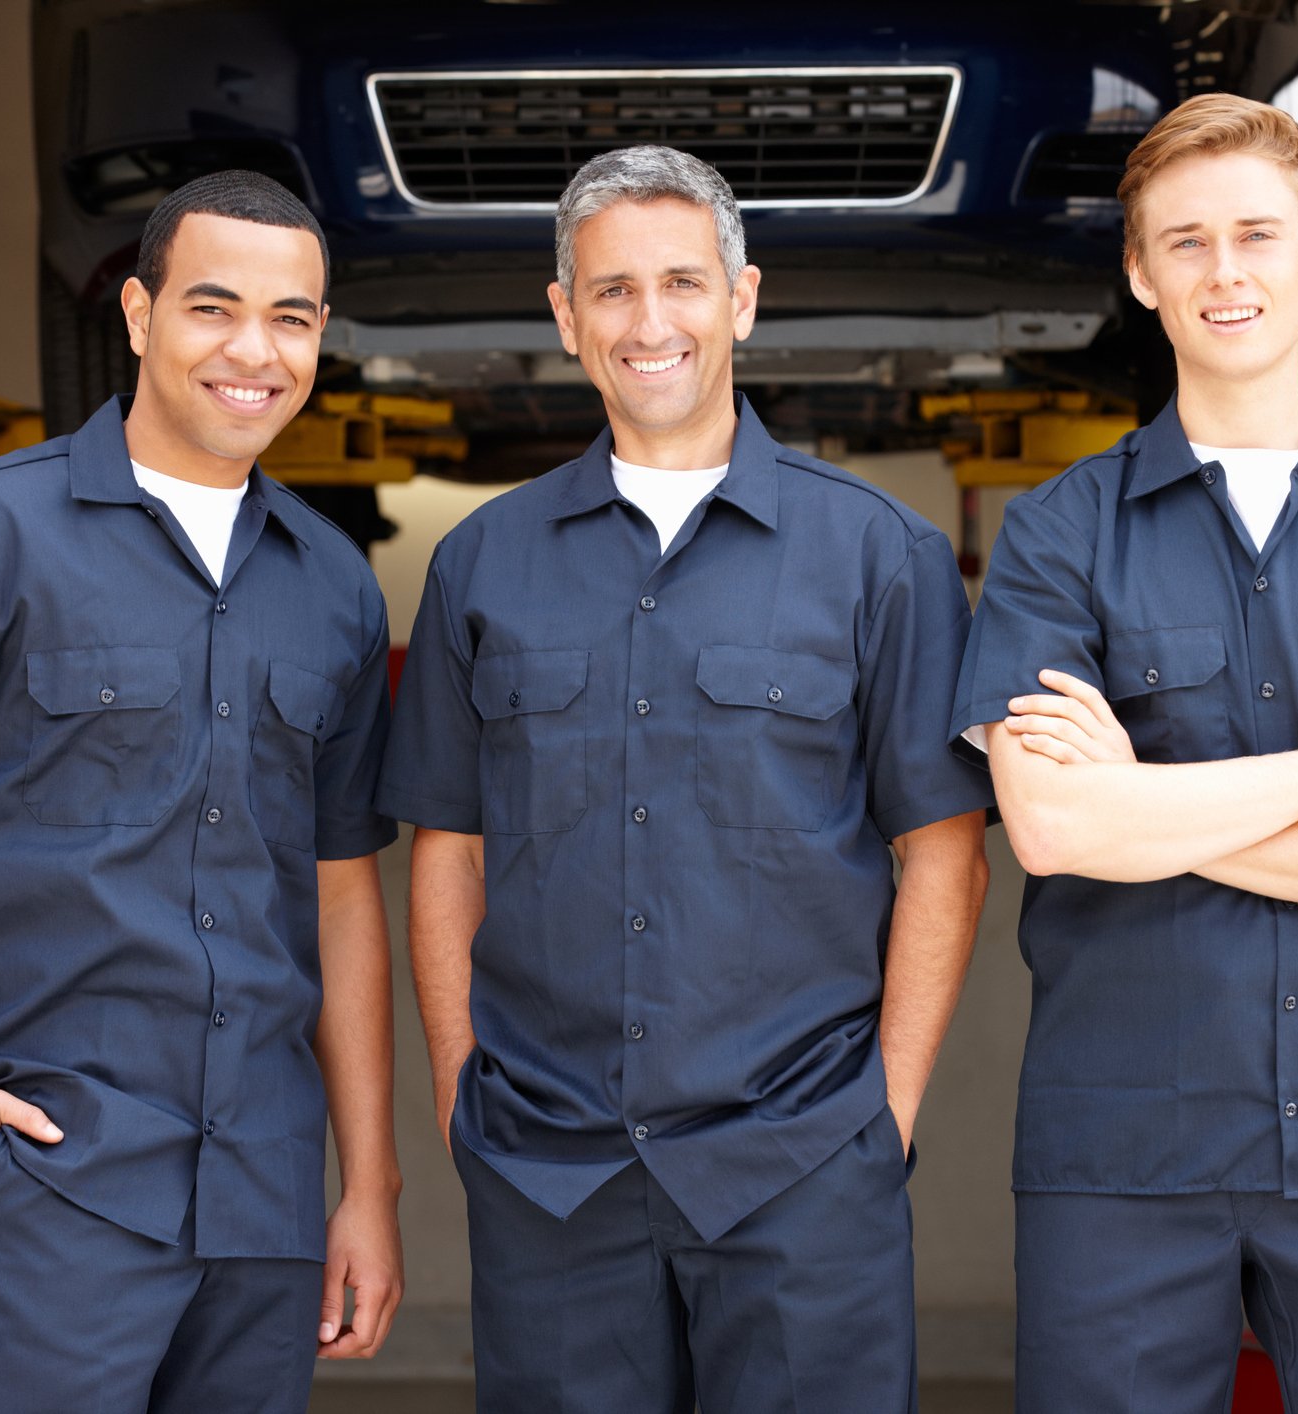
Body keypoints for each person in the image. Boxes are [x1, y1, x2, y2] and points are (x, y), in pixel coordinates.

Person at [0, 170, 404, 1409]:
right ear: (136, 313)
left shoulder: (333, 586)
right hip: (56, 1185)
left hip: (263, 1201)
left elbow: (340, 896)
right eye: (213, 307)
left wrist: (368, 1187)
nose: (253, 352)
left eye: (292, 319)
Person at [378, 144, 992, 1412]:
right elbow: (447, 848)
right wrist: (458, 1095)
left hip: (805, 1168)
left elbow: (943, 847)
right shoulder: (481, 563)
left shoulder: (881, 558)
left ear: (743, 299)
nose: (649, 323)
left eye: (683, 284)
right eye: (610, 291)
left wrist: (889, 1112)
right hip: (551, 1176)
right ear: (564, 316)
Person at [951, 95, 1298, 1413]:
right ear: (1140, 274)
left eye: (1256, 235)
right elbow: (1056, 831)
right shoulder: (1058, 539)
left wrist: (1145, 802)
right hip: (1122, 1155)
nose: (1225, 272)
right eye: (1185, 243)